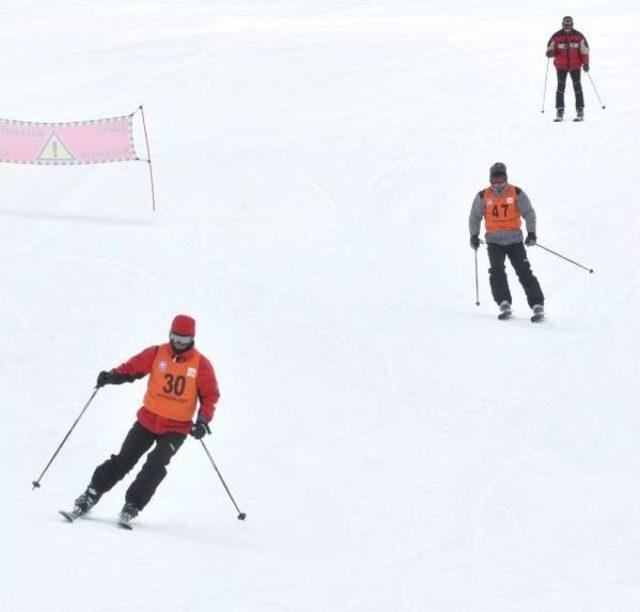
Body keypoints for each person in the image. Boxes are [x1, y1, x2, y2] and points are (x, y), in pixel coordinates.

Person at [68, 314, 220, 525]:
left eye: (183, 340)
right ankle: (91, 494)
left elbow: (210, 395)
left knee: (156, 465)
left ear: (192, 339)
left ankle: (133, 505)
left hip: (176, 428)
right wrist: (112, 376)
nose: (178, 343)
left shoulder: (201, 364)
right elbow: (133, 367)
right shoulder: (157, 353)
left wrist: (203, 421)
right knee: (124, 460)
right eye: (175, 337)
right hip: (147, 421)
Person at [469, 163, 545, 321]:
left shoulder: (516, 193)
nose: (498, 183)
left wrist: (531, 232)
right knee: (496, 271)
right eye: (495, 179)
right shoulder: (483, 196)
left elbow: (529, 213)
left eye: (501, 179)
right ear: (490, 179)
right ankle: (503, 302)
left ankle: (537, 304)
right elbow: (475, 216)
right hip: (494, 241)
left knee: (524, 271)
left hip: (514, 240)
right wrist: (474, 235)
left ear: (506, 178)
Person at [546, 16, 590, 122]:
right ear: (562, 24)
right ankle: (559, 111)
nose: (567, 27)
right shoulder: (556, 36)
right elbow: (550, 47)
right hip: (561, 66)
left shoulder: (579, 36)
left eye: (569, 25)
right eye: (565, 25)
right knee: (560, 88)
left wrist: (586, 63)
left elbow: (584, 50)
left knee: (577, 87)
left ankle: (580, 110)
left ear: (572, 24)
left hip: (575, 66)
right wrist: (550, 52)